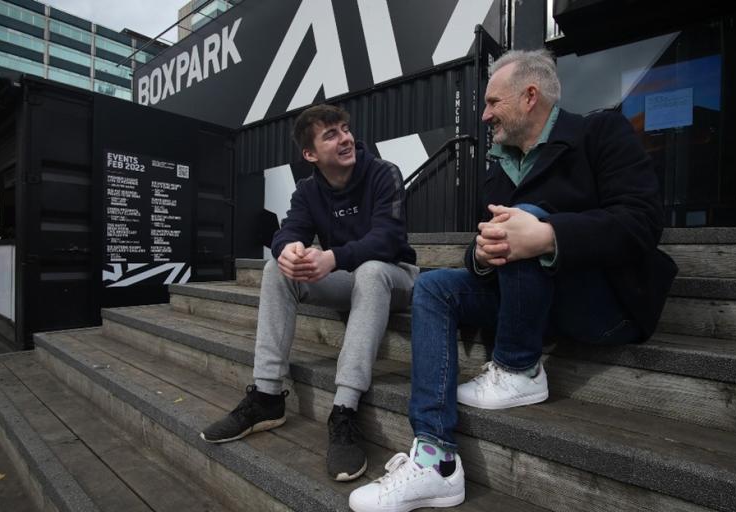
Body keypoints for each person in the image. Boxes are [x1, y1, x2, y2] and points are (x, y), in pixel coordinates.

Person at [349, 49, 677, 511]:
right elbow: (478, 248)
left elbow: (642, 223)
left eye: (491, 102)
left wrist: (546, 234)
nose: (483, 116)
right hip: (530, 301)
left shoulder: (600, 132)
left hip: (605, 302)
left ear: (529, 96)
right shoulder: (496, 173)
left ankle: (519, 369)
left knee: (526, 218)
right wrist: (481, 256)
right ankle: (436, 458)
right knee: (434, 285)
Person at [200, 104, 418, 482]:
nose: (346, 138)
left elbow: (389, 238)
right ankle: (267, 396)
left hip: (395, 276)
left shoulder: (383, 173)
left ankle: (345, 410)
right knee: (276, 269)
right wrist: (288, 250)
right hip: (348, 278)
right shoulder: (308, 191)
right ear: (310, 154)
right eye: (331, 134)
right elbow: (289, 230)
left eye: (345, 129)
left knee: (369, 271)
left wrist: (333, 257)